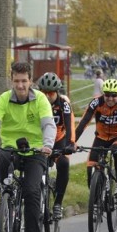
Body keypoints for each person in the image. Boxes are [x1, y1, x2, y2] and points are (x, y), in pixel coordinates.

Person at [0, 62, 56, 232]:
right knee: (2, 158)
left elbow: (48, 124)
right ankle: (3, 196)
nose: (20, 86)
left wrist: (47, 145)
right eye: (17, 81)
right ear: (12, 80)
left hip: (36, 151)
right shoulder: (4, 99)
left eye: (24, 81)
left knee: (31, 191)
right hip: (11, 147)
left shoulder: (40, 100)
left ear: (30, 81)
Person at [75, 79, 117, 198]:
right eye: (107, 95)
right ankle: (97, 199)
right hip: (101, 137)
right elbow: (83, 122)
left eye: (114, 95)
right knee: (91, 167)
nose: (110, 98)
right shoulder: (96, 102)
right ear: (103, 94)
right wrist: (72, 142)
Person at [37, 72, 76, 219]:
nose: (47, 96)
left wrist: (71, 143)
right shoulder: (35, 103)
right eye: (44, 92)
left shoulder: (63, 103)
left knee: (64, 164)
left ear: (57, 92)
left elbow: (70, 123)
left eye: (51, 93)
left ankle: (58, 203)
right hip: (40, 140)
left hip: (59, 139)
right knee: (37, 169)